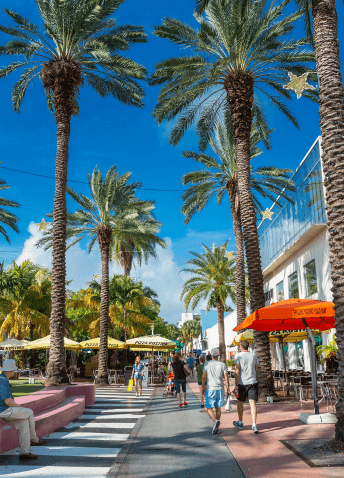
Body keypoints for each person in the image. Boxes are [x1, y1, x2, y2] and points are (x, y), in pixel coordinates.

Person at [0, 359, 46, 460]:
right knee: (29, 412)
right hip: (4, 410)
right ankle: (34, 439)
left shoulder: (1, 379)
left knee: (23, 423)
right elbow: (8, 401)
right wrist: (19, 407)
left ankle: (24, 453)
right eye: (13, 370)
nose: (13, 372)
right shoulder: (3, 381)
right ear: (10, 370)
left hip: (3, 411)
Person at [232, 340, 259, 434]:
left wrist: (236, 385)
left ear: (240, 346)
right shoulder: (254, 355)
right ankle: (254, 424)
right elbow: (255, 369)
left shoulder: (238, 356)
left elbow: (237, 371)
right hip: (252, 382)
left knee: (240, 403)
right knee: (253, 403)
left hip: (242, 383)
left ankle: (240, 422)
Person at [202, 353, 229, 435]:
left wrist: (203, 386)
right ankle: (216, 427)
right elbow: (226, 378)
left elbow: (204, 376)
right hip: (220, 389)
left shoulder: (207, 363)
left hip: (210, 389)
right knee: (218, 408)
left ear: (211, 356)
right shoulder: (222, 364)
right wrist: (228, 389)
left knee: (208, 408)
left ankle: (215, 421)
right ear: (218, 356)